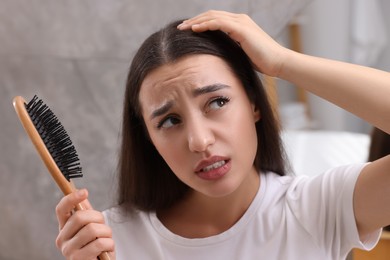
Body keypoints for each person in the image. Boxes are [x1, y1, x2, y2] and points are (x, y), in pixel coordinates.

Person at [54, 10, 390, 259]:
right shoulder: (108, 241)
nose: (199, 141)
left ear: (255, 104)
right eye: (170, 121)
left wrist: (283, 62)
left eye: (217, 101)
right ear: (149, 139)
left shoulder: (318, 209)